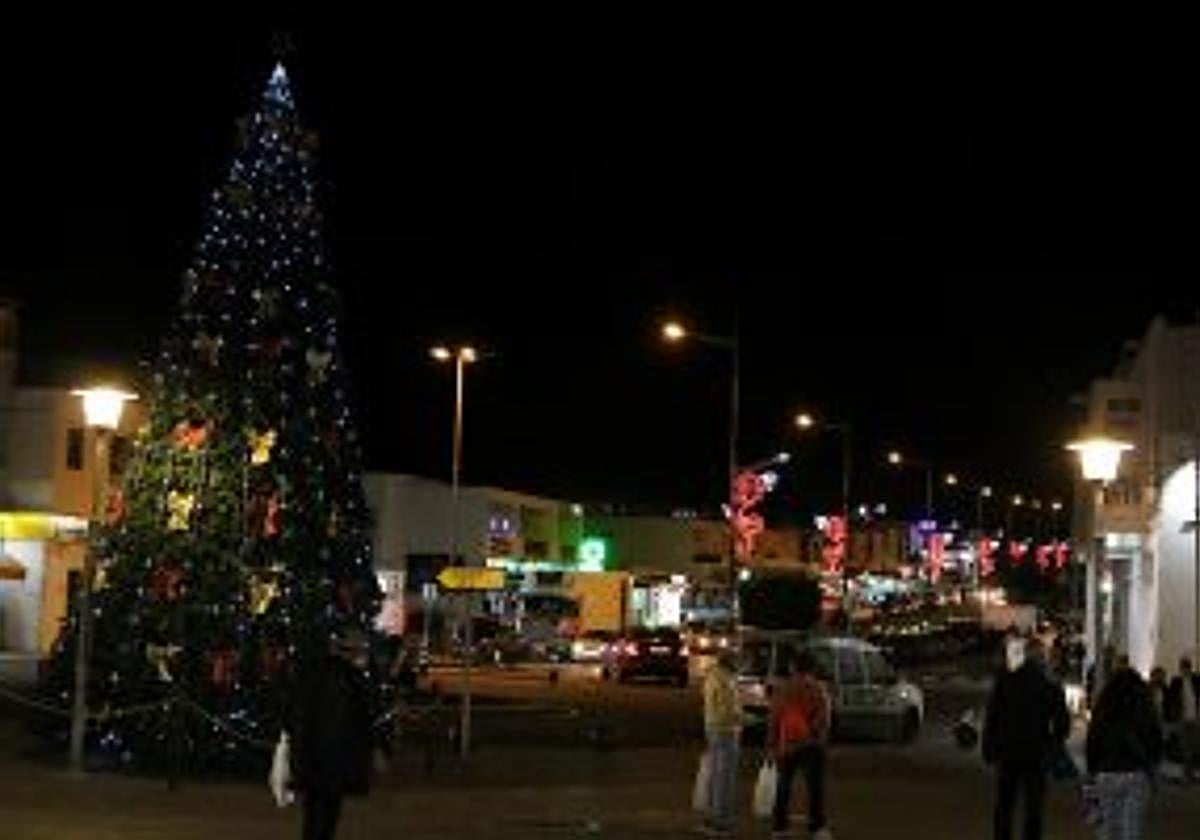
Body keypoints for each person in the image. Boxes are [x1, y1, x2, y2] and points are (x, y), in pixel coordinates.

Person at [982, 638, 1070, 840]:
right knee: (1034, 806)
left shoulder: (1006, 679)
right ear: (1042, 657)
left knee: (1005, 803)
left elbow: (993, 714)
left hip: (1008, 750)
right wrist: (1052, 743)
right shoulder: (1050, 683)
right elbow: (1062, 723)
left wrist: (989, 746)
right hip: (1036, 752)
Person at [292, 628, 374, 840]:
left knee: (313, 814)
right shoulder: (347, 680)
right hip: (332, 763)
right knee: (326, 816)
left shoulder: (315, 674)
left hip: (313, 759)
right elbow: (347, 724)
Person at [1086, 666, 1162, 840]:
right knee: (1132, 831)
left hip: (1106, 774)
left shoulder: (1103, 708)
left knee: (1107, 830)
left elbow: (1092, 743)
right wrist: (1152, 766)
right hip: (1136, 774)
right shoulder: (1144, 705)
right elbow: (1155, 740)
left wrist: (1092, 773)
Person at [767, 650, 833, 840]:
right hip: (812, 745)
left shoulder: (782, 689)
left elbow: (774, 718)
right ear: (812, 668)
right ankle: (817, 828)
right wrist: (818, 738)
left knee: (783, 786)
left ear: (793, 667)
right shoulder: (819, 690)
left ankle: (779, 828)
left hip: (787, 745)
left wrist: (771, 745)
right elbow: (824, 720)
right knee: (815, 788)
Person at [700, 650, 742, 836]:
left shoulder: (711, 677)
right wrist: (747, 719)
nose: (739, 664)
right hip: (726, 730)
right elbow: (729, 711)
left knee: (714, 775)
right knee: (724, 778)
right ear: (729, 662)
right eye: (736, 660)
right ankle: (721, 822)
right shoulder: (726, 681)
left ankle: (709, 818)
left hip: (712, 728)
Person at [1166, 656, 1200, 782]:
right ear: (1181, 669)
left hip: (1195, 717)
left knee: (1195, 745)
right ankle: (1187, 773)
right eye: (1184, 668)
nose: (1185, 670)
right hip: (1182, 718)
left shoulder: (1196, 680)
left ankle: (1191, 772)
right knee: (1185, 746)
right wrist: (1172, 717)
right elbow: (1170, 700)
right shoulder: (1176, 682)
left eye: (1187, 667)